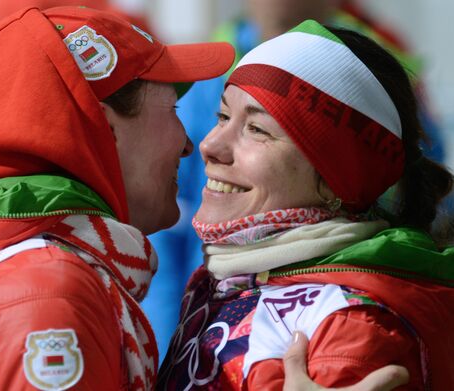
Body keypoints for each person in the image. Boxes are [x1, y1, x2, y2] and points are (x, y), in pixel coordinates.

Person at [0, 6, 235, 389]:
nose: (189, 144)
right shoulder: (45, 295)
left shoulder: (43, 276)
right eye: (172, 110)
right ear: (105, 132)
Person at [142, 0, 449, 358]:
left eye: (257, 129)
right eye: (222, 116)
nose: (208, 146)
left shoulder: (351, 326)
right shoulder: (220, 285)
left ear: (336, 179)